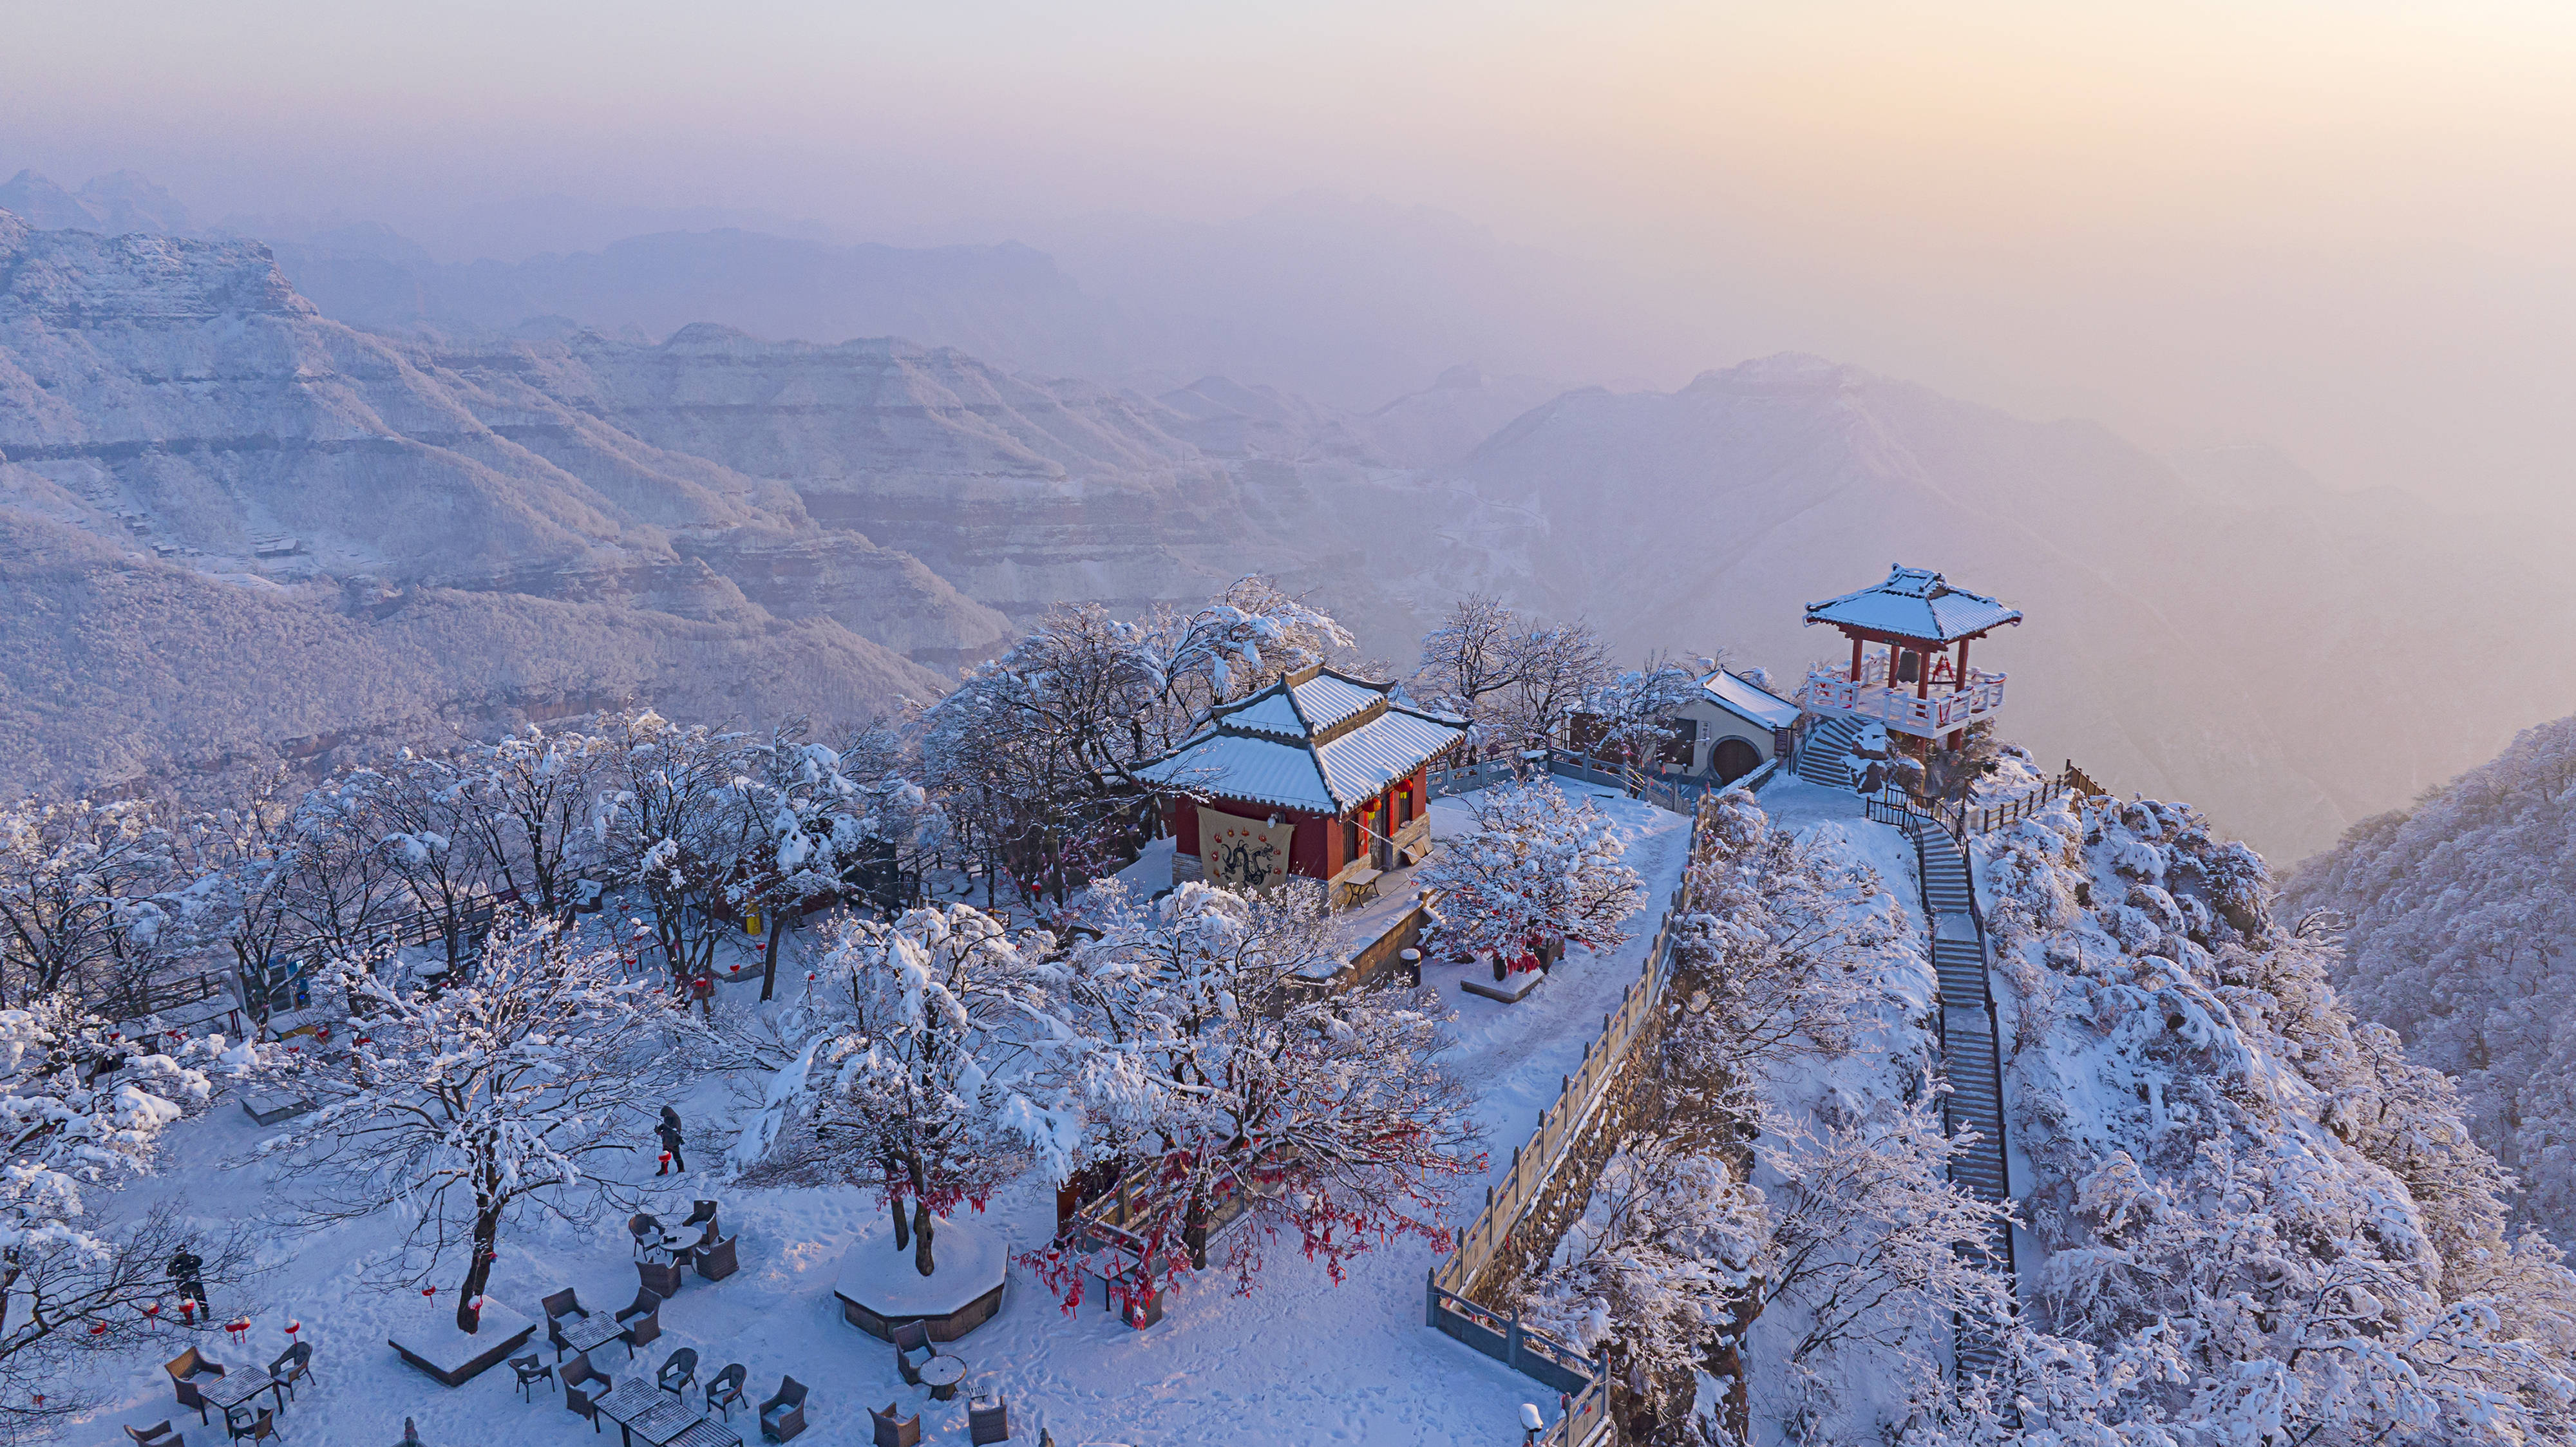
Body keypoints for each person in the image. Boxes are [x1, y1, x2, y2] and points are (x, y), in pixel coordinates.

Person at [167, 1247, 208, 1314]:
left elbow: (170, 1273)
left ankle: (189, 1319)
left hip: (183, 1284)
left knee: (186, 1302)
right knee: (201, 1299)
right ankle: (206, 1315)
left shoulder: (175, 1263)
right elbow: (200, 1262)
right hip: (194, 1281)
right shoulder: (193, 1258)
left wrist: (173, 1263)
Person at [656, 1106, 685, 1175]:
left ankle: (681, 1169)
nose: (664, 1117)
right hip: (667, 1141)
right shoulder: (667, 1117)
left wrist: (662, 1133)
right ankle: (664, 1170)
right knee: (664, 1156)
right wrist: (659, 1129)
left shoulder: (676, 1119)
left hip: (674, 1141)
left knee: (677, 1156)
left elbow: (674, 1130)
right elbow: (665, 1126)